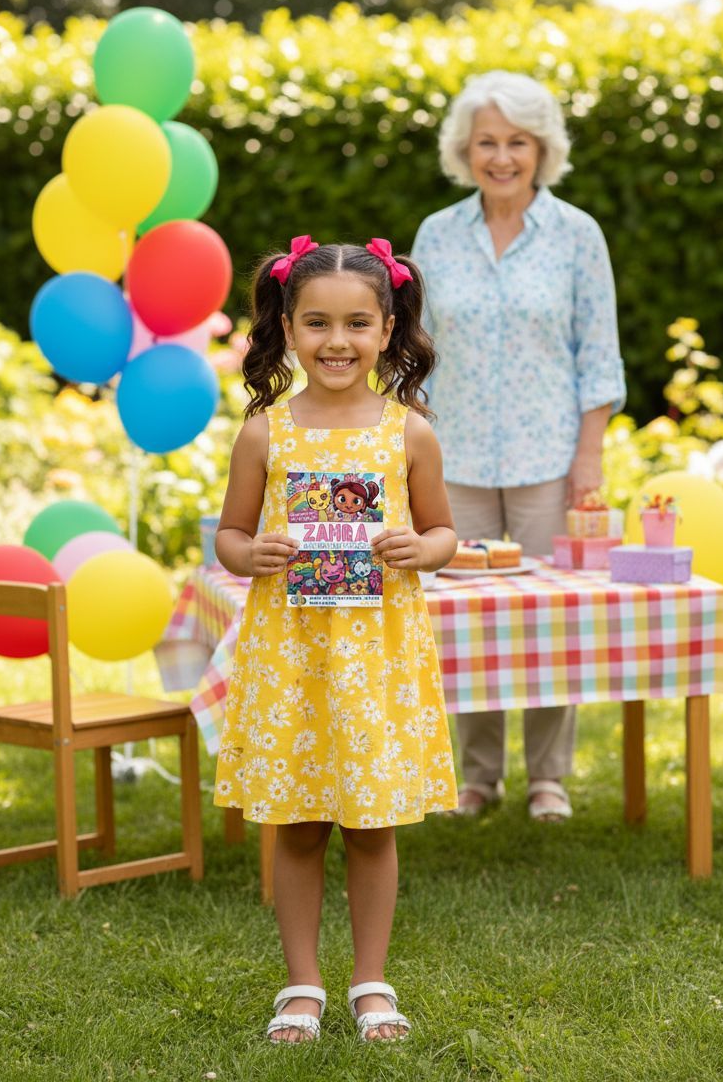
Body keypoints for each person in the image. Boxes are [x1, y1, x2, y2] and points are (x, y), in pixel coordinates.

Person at [213, 235, 458, 1044]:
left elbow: (444, 533)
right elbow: (231, 538)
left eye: (357, 323)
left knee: (371, 822)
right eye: (317, 323)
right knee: (300, 819)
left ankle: (371, 981)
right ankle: (303, 984)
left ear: (389, 329)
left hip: (376, 657)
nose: (337, 342)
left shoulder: (409, 432)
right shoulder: (265, 434)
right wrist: (257, 554)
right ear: (286, 326)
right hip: (294, 660)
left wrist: (419, 550)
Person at [412, 70, 625, 823]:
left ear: (542, 150)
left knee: (551, 619)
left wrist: (588, 459)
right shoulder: (437, 235)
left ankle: (549, 778)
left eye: (517, 143)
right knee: (464, 619)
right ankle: (477, 776)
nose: (501, 158)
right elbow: (418, 348)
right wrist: (412, 450)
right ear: (464, 151)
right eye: (487, 143)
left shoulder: (577, 236)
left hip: (548, 458)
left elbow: (599, 356)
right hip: (455, 458)